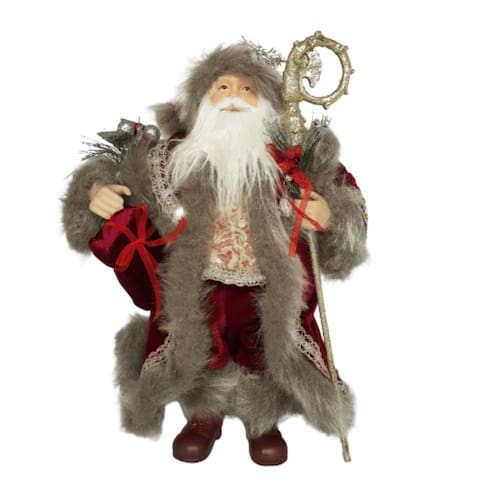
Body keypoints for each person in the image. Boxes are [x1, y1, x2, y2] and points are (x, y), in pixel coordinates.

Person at [62, 43, 368, 466]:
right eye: (222, 87)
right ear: (200, 102)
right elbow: (112, 169)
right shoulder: (168, 159)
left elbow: (345, 198)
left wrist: (330, 214)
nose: (233, 97)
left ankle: (263, 419)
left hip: (269, 286)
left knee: (264, 346)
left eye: (247, 89)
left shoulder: (293, 159)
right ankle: (203, 415)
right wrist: (94, 190)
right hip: (198, 284)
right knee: (202, 345)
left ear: (268, 104)